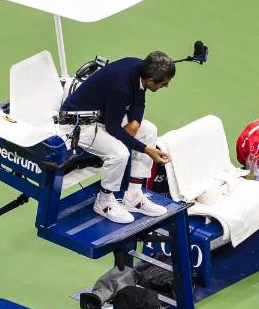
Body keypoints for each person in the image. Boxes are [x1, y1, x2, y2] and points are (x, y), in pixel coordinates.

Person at [58, 53, 174, 223]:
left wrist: (135, 122)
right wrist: (147, 150)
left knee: (149, 130)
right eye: (164, 83)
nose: (167, 86)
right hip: (79, 124)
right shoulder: (120, 88)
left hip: (102, 116)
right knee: (119, 154)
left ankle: (133, 196)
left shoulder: (138, 67)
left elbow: (139, 99)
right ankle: (104, 201)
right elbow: (113, 128)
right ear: (150, 80)